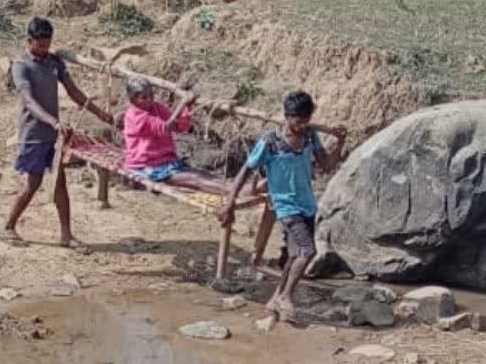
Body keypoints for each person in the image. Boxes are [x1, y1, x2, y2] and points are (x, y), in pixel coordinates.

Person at [221, 91, 346, 322]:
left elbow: (327, 165)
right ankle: (286, 296)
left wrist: (340, 143)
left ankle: (275, 299)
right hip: (286, 206)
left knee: (293, 255)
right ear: (287, 117)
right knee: (308, 251)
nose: (303, 126)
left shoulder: (310, 137)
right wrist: (230, 203)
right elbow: (245, 171)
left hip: (307, 204)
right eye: (298, 122)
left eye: (307, 121)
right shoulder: (270, 142)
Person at [0, 17, 113, 252]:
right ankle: (9, 226)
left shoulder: (54, 62)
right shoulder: (21, 65)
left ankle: (66, 235)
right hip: (33, 133)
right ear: (29, 41)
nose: (44, 50)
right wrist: (53, 121)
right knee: (34, 183)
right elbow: (28, 101)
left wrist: (99, 113)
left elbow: (73, 91)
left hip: (54, 134)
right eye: (40, 45)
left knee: (60, 183)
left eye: (47, 45)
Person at [123, 77, 240, 192]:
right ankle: (235, 191)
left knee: (203, 174)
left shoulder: (156, 108)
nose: (149, 99)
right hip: (148, 166)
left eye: (151, 95)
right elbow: (165, 128)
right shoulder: (135, 116)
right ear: (133, 100)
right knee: (195, 178)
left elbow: (179, 126)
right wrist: (182, 103)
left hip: (166, 161)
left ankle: (236, 186)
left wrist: (187, 107)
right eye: (144, 97)